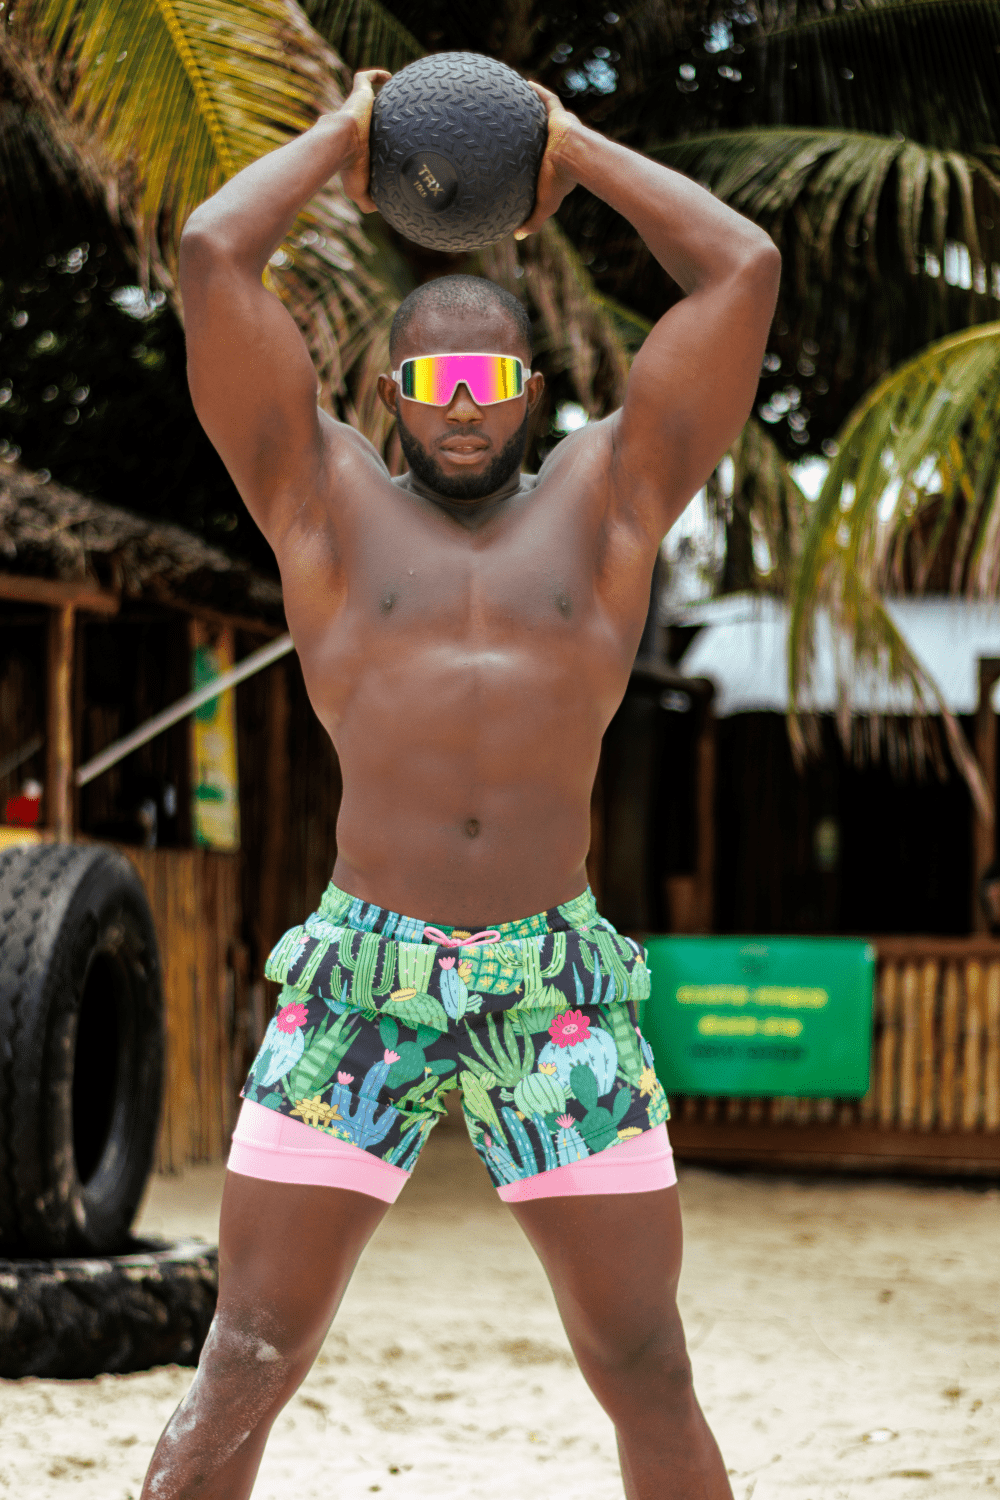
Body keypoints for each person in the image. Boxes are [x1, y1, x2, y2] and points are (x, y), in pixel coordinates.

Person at [142, 66, 779, 1500]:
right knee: (246, 1355)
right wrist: (343, 137)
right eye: (435, 381)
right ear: (393, 393)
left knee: (645, 1363)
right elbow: (213, 256)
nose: (465, 407)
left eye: (492, 379)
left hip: (555, 986)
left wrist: (571, 146)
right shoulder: (317, 499)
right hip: (360, 977)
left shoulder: (612, 503)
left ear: (531, 390)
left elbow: (743, 267)